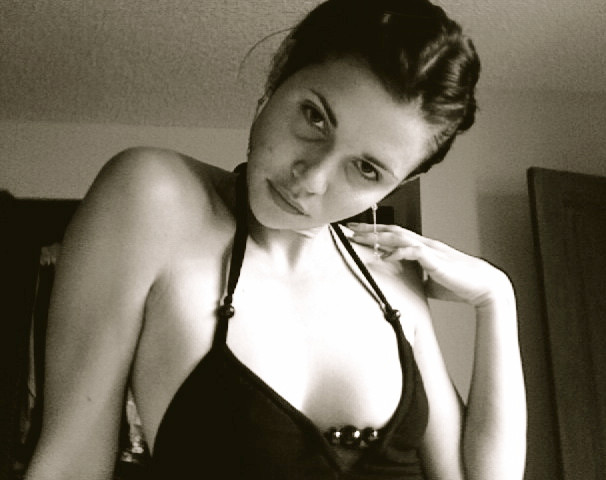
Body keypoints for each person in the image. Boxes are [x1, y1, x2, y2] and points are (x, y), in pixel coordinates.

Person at [25, 0, 526, 478]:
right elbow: (69, 466)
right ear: (276, 81)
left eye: (366, 169)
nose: (311, 179)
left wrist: (497, 298)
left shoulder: (390, 275)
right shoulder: (154, 197)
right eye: (314, 117)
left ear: (397, 185)